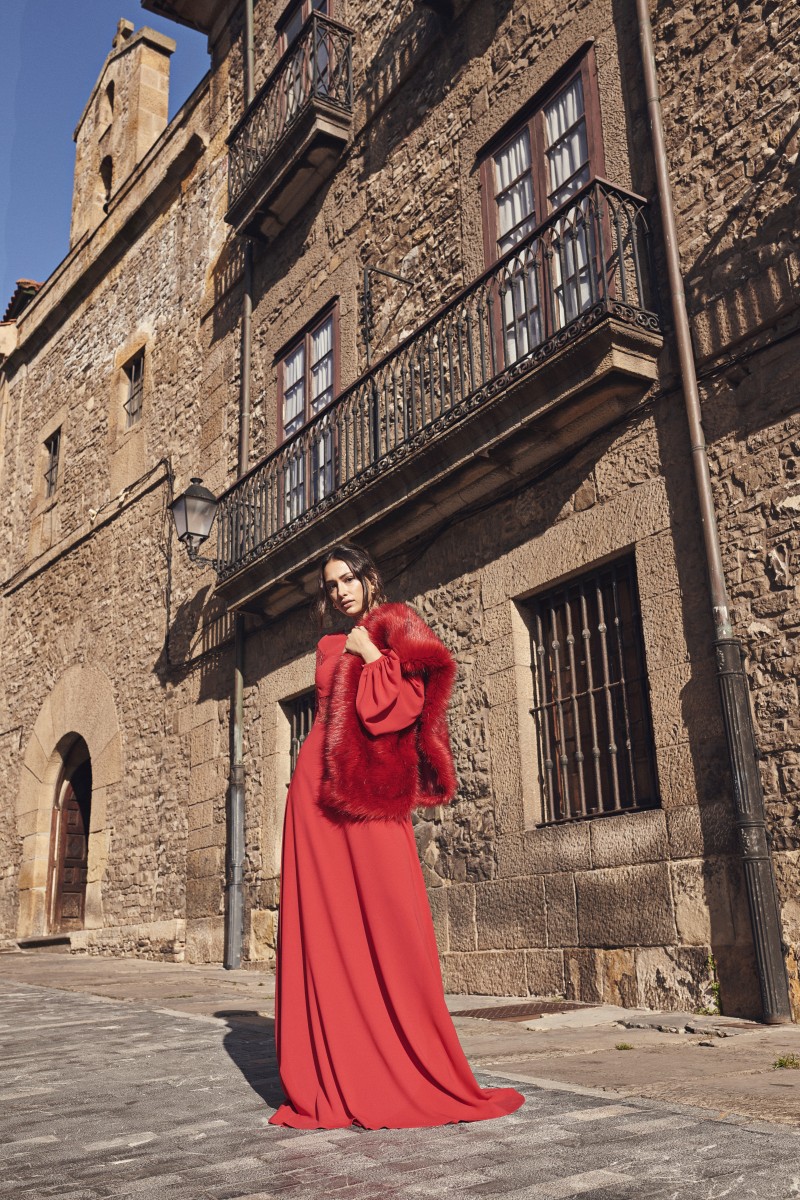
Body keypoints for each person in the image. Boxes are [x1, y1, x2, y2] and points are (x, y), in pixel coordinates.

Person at [269, 542, 525, 1130]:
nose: (340, 591)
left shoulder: (398, 626)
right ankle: (337, 1065)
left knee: (392, 919)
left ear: (368, 577)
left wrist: (371, 653)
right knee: (328, 925)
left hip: (371, 798)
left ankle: (403, 1060)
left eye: (347, 579)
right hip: (315, 797)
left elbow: (401, 708)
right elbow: (334, 716)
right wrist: (354, 650)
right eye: (331, 585)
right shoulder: (327, 646)